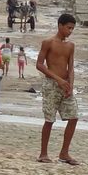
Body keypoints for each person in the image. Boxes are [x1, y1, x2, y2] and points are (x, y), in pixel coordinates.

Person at [37, 13, 79, 165]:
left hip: (66, 85)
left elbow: (71, 67)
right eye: (68, 28)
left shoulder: (70, 46)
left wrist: (70, 85)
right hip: (51, 85)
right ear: (60, 26)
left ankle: (64, 152)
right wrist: (58, 80)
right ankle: (43, 153)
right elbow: (40, 64)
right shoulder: (48, 42)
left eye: (72, 29)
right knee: (49, 119)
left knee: (74, 117)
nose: (70, 31)